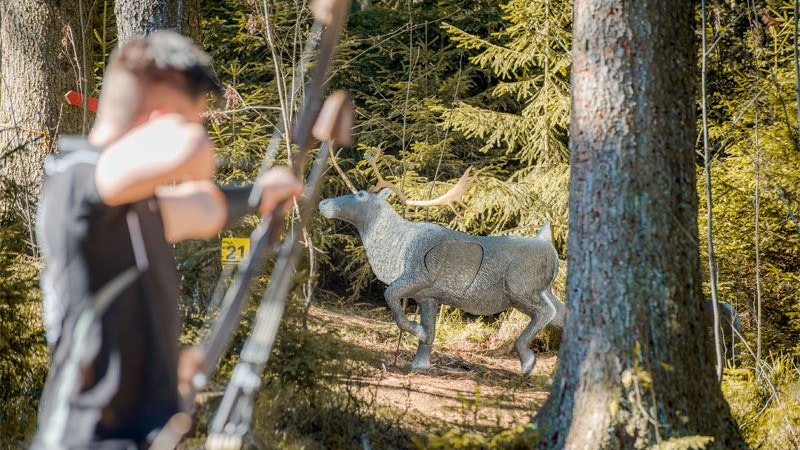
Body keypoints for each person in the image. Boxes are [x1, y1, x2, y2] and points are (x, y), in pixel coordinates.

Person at [32, 31, 302, 449]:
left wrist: (261, 193)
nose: (198, 129)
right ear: (159, 120)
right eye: (191, 117)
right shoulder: (75, 176)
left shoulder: (128, 204)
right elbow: (190, 151)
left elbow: (203, 209)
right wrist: (185, 133)